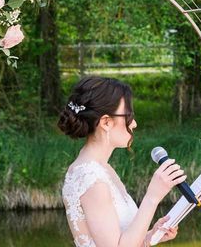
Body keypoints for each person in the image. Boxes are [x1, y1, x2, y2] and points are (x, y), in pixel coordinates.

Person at [58, 76, 186, 247]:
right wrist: (152, 197)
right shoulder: (91, 179)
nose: (134, 123)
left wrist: (150, 237)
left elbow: (119, 240)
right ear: (106, 122)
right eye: (129, 116)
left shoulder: (102, 168)